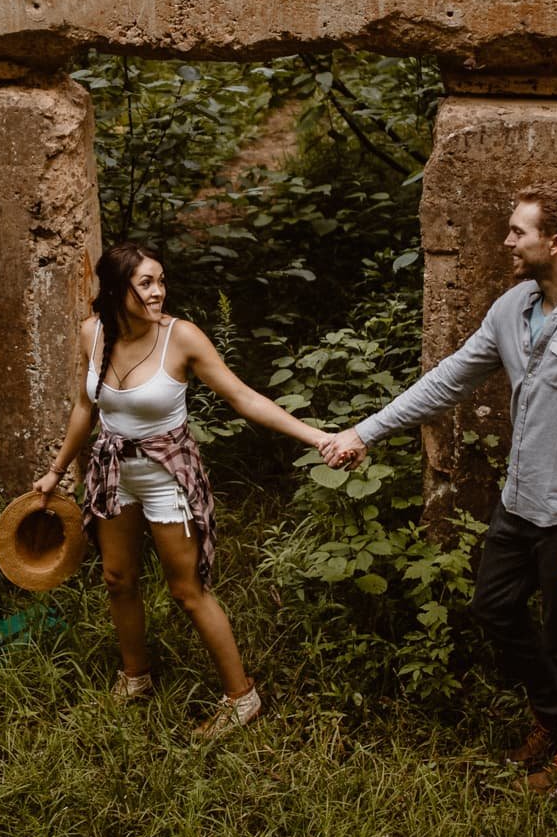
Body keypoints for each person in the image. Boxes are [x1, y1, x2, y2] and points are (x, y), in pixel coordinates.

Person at [320, 182, 557, 791]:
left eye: (517, 231)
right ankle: (552, 717)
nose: (506, 240)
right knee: (493, 609)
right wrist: (365, 431)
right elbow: (447, 381)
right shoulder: (513, 308)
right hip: (518, 505)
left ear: (555, 243)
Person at [33, 241, 333, 740]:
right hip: (112, 471)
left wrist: (317, 436)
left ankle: (242, 697)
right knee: (116, 577)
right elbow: (85, 408)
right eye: (146, 283)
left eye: (161, 281)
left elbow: (243, 397)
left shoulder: (182, 337)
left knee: (186, 590)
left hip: (166, 473)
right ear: (115, 289)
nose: (158, 293)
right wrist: (56, 469)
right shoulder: (93, 334)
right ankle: (136, 678)